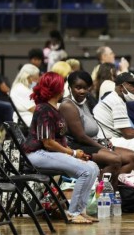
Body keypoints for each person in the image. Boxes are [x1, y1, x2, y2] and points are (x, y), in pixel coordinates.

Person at [23, 72, 99, 224]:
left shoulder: (54, 108)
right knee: (85, 171)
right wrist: (73, 153)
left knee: (93, 167)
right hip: (36, 153)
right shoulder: (43, 109)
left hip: (48, 153)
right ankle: (73, 212)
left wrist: (76, 155)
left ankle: (80, 210)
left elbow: (57, 141)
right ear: (58, 88)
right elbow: (48, 142)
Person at [59, 71, 134, 190]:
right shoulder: (68, 105)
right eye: (78, 87)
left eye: (85, 88)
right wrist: (102, 147)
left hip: (93, 142)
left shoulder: (84, 101)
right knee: (114, 159)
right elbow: (80, 136)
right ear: (70, 87)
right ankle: (101, 196)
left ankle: (115, 191)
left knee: (131, 157)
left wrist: (102, 143)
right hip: (77, 146)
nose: (82, 91)